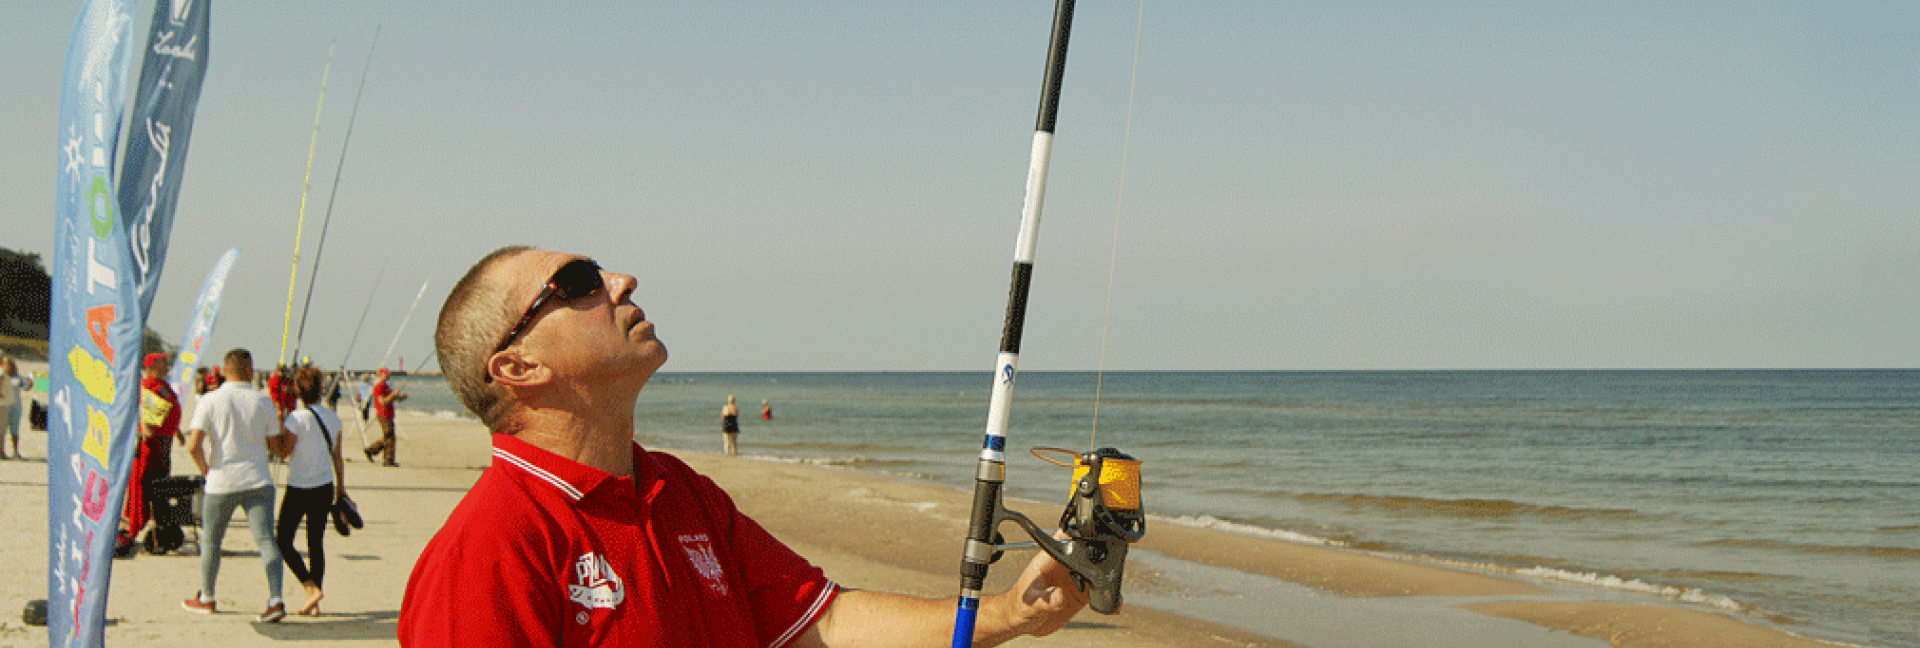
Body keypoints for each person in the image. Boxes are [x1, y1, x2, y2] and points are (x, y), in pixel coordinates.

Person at [400, 248, 1087, 647]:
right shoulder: (488, 549)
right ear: (518, 367)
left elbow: (822, 621)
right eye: (578, 282)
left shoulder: (680, 491)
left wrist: (1009, 613)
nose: (622, 281)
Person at [181, 348, 295, 622]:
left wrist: (206, 470)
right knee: (266, 540)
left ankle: (207, 597)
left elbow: (194, 445)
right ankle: (275, 599)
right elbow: (276, 447)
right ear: (249, 371)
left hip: (221, 480)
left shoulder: (209, 400)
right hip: (257, 479)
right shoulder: (263, 401)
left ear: (223, 371)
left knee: (211, 541)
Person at [276, 365, 346, 617]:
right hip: (324, 486)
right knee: (315, 543)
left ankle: (310, 588)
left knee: (283, 540)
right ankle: (314, 602)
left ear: (298, 390)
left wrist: (276, 428)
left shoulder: (296, 419)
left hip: (298, 486)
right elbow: (337, 457)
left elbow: (283, 451)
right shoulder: (333, 419)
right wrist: (341, 488)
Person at [120, 353, 182, 550]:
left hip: (164, 442)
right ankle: (134, 525)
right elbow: (143, 407)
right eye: (163, 362)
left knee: (160, 485)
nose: (167, 365)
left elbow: (168, 409)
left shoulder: (163, 385)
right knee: (146, 485)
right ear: (152, 365)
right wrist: (146, 428)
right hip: (152, 443)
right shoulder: (149, 384)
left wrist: (178, 431)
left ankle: (159, 523)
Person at [361, 368, 406, 466]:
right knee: (389, 437)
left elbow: (390, 398)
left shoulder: (386, 386)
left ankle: (371, 451)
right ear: (380, 374)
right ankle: (388, 460)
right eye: (386, 374)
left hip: (388, 414)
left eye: (388, 374)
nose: (388, 375)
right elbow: (383, 402)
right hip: (383, 414)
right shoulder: (379, 386)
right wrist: (393, 395)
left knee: (388, 437)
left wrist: (400, 396)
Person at [0, 356, 22, 460]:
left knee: (13, 430)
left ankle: (15, 452)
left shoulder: (17, 378)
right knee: (2, 431)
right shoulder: (2, 374)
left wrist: (31, 383)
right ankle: (2, 452)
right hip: (4, 405)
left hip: (14, 406)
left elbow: (27, 386)